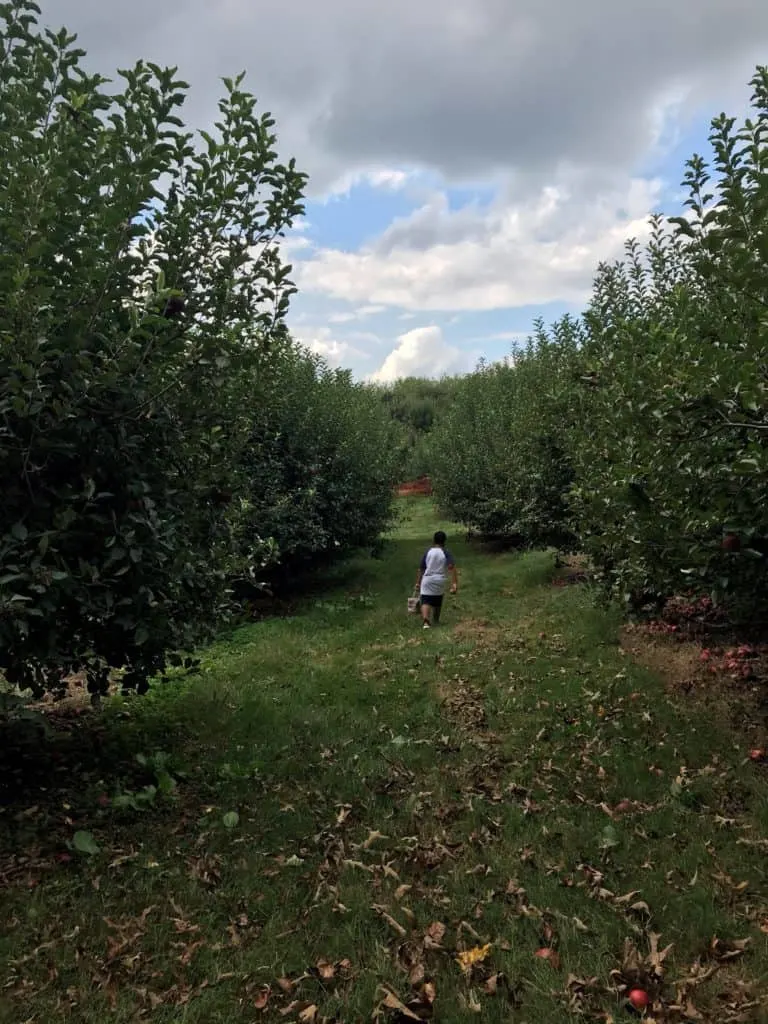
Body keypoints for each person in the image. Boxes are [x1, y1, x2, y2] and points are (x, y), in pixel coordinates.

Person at [414, 530, 458, 629]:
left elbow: (421, 568)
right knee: (438, 600)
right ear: (444, 541)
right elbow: (451, 567)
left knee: (425, 600)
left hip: (427, 579)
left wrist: (418, 582)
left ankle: (426, 621)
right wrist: (454, 584)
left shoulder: (428, 552)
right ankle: (436, 620)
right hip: (440, 579)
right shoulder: (446, 552)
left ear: (433, 540)